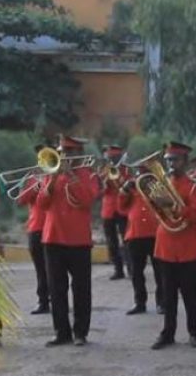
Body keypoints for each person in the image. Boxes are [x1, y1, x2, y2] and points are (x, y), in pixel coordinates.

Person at [38, 136, 100, 347]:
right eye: (61, 151)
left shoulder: (87, 174)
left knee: (81, 288)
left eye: (68, 152)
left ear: (77, 153)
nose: (63, 156)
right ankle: (61, 332)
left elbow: (86, 200)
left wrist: (71, 176)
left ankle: (80, 332)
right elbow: (42, 204)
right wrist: (53, 179)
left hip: (78, 240)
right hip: (53, 237)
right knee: (56, 288)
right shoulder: (50, 174)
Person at [150, 142, 196, 350]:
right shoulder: (162, 183)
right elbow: (154, 212)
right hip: (166, 245)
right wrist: (159, 205)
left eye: (174, 160)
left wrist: (175, 207)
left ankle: (195, 333)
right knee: (168, 295)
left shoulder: (193, 185)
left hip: (187, 247)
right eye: (168, 160)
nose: (170, 164)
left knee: (189, 294)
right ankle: (168, 333)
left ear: (184, 161)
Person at [119, 160, 163, 316]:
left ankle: (161, 303)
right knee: (136, 271)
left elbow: (165, 204)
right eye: (138, 172)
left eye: (143, 172)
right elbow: (121, 206)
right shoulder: (131, 188)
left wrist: (153, 188)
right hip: (135, 234)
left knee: (160, 271)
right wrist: (124, 190)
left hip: (154, 233)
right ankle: (140, 302)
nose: (140, 175)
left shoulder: (156, 186)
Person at [14, 144, 51, 315]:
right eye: (40, 156)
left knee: (56, 269)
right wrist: (34, 187)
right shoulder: (32, 177)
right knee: (40, 268)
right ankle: (43, 301)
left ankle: (59, 300)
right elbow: (20, 200)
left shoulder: (58, 175)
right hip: (36, 227)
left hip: (54, 227)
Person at [98, 144, 128, 280]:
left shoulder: (126, 170)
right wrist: (105, 182)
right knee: (111, 241)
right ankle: (118, 269)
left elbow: (129, 188)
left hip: (123, 208)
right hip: (108, 209)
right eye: (110, 158)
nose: (112, 161)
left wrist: (120, 180)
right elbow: (100, 192)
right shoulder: (103, 170)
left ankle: (131, 268)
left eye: (115, 158)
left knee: (127, 240)